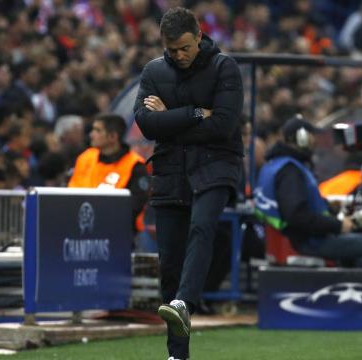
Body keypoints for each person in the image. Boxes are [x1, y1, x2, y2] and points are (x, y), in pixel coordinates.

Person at [133, 7, 244, 360]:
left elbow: (224, 126)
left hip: (216, 165)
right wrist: (196, 112)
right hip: (169, 171)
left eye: (184, 47)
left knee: (202, 229)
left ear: (199, 37)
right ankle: (177, 355)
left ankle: (184, 302)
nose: (178, 55)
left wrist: (169, 118)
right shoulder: (153, 70)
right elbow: (147, 124)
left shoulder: (225, 67)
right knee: (169, 264)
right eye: (171, 49)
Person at [255, 116, 362, 268]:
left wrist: (332, 206)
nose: (315, 142)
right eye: (312, 136)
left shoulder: (275, 165)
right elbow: (297, 216)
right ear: (301, 138)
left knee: (357, 242)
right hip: (307, 241)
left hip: (291, 238)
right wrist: (338, 225)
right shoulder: (291, 171)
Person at [68, 113, 149, 235]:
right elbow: (71, 192)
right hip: (81, 229)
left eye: (97, 130)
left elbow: (135, 205)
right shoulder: (85, 158)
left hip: (121, 233)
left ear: (112, 136)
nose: (91, 134)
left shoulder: (135, 165)